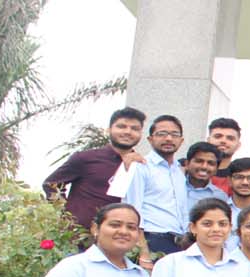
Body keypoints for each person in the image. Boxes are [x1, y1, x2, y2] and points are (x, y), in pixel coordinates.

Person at [44, 107, 145, 229]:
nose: (128, 132)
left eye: (135, 129)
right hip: (80, 238)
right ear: (109, 130)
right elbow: (51, 184)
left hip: (121, 237)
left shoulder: (141, 166)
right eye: (121, 126)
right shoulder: (86, 158)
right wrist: (67, 216)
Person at [124, 115, 188, 254]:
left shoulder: (179, 171)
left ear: (181, 140)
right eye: (162, 134)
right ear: (150, 139)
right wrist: (143, 251)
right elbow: (132, 209)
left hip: (178, 242)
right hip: (151, 239)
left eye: (174, 134)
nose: (168, 139)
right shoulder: (140, 167)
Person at [205, 118, 250, 197]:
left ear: (238, 145)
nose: (223, 141)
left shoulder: (246, 172)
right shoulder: (193, 170)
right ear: (208, 140)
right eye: (218, 136)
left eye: (230, 138)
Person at [182, 142, 228, 217]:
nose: (204, 167)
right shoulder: (172, 187)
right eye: (199, 161)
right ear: (187, 164)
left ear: (216, 169)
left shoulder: (220, 197)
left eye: (211, 163)